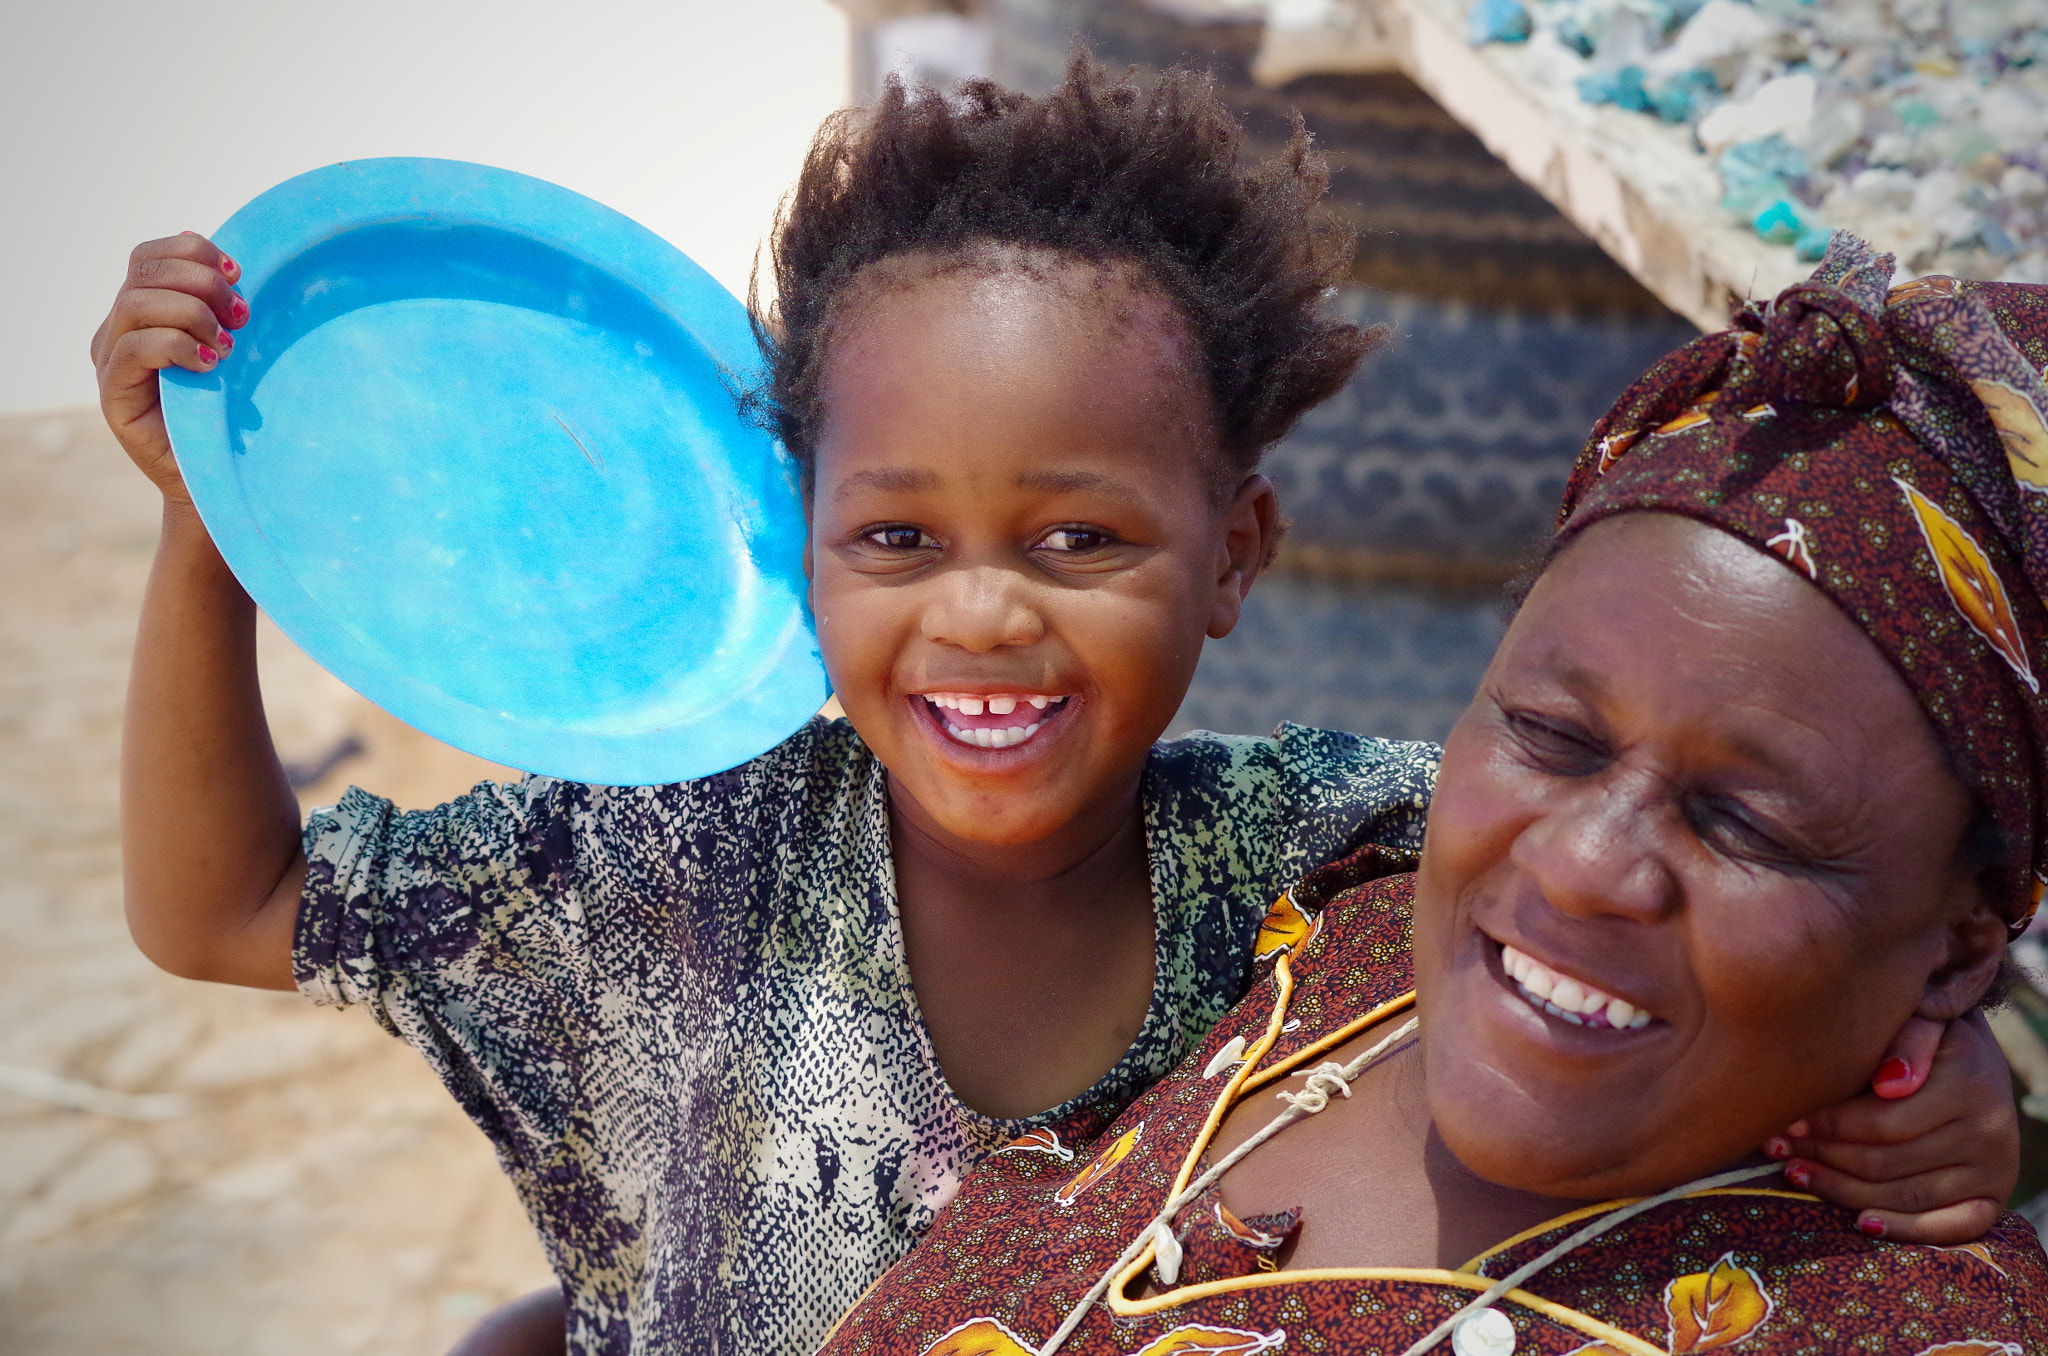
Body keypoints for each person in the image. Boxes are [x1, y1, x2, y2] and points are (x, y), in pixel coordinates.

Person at [88, 58, 2018, 1356]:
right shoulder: (685, 856)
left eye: (1079, 536)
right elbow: (220, 909)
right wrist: (214, 532)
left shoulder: (1324, 858)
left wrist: (1940, 1084)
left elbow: (1701, 928)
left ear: (1235, 555)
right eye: (899, 535)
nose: (983, 613)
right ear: (799, 550)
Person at [814, 238, 2048, 1355]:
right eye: (1552, 736)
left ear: (1956, 953)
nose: (1577, 865)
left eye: (1744, 826)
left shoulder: (1896, 1324)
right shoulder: (1349, 935)